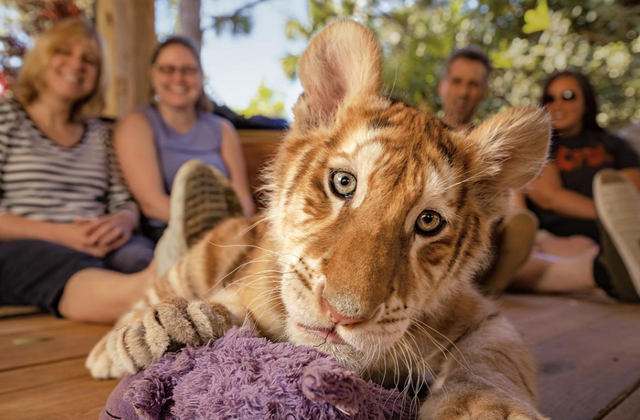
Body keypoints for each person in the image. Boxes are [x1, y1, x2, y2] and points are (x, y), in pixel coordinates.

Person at [0, 18, 156, 323]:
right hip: (26, 246)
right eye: (64, 52)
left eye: (89, 60)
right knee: (65, 263)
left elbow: (122, 199)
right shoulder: (7, 117)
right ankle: (158, 295)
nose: (76, 64)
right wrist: (62, 234)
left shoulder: (99, 134)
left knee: (139, 255)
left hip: (102, 242)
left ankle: (167, 289)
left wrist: (123, 222)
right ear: (43, 57)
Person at [114, 36, 256, 251]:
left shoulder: (223, 129)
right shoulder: (137, 123)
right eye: (168, 69)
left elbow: (243, 200)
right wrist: (210, 230)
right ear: (153, 74)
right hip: (165, 236)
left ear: (200, 77)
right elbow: (151, 203)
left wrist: (236, 233)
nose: (178, 78)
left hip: (227, 236)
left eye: (188, 70)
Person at [513, 70, 640, 302]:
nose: (558, 104)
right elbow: (549, 196)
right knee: (581, 252)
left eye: (569, 96)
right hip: (560, 238)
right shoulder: (543, 147)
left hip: (619, 236)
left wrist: (620, 221)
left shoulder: (614, 144)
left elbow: (630, 188)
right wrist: (609, 215)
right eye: (550, 98)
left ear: (586, 103)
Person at [438, 46, 538, 295]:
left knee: (509, 221)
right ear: (443, 85)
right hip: (436, 228)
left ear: (484, 92)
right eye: (457, 81)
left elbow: (512, 196)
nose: (463, 91)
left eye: (473, 84)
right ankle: (482, 283)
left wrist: (514, 220)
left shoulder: (489, 144)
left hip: (481, 230)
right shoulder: (420, 133)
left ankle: (481, 275)